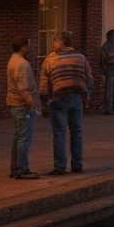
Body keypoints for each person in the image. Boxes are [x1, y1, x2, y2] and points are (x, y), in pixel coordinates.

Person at [39, 30, 92, 175]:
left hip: (59, 98)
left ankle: (60, 165)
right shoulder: (80, 57)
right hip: (76, 97)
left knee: (59, 133)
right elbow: (88, 78)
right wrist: (87, 97)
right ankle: (77, 164)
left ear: (61, 42)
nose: (54, 44)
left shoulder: (51, 59)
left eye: (56, 41)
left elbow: (44, 81)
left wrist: (44, 99)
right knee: (77, 132)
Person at [7, 35, 41, 179]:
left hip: (14, 103)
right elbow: (24, 87)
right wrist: (32, 103)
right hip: (22, 104)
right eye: (28, 45)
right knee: (24, 138)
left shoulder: (12, 60)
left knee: (18, 136)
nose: (30, 47)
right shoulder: (22, 64)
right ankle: (22, 168)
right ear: (23, 47)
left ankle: (15, 167)